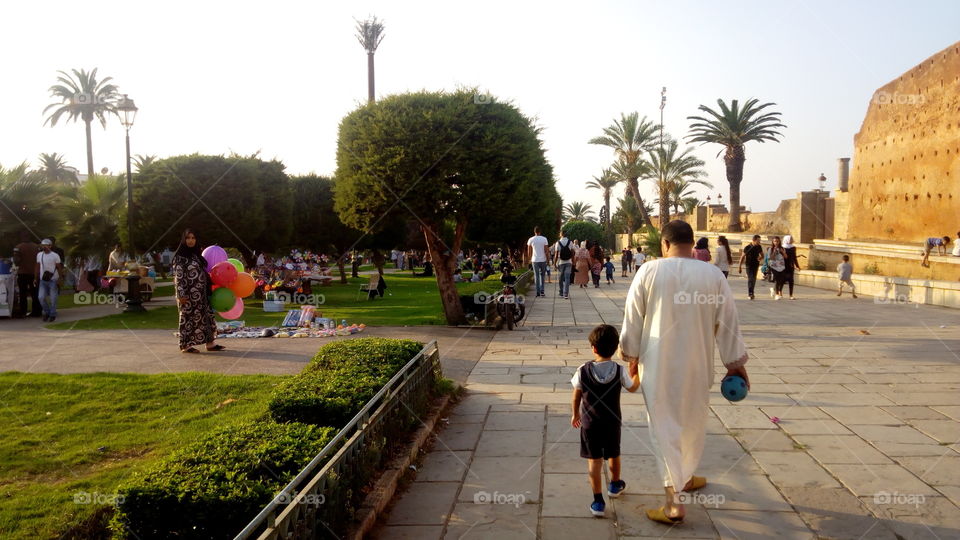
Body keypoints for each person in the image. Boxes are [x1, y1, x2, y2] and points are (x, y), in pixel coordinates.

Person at [620, 220, 748, 524]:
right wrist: (736, 365)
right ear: (692, 244)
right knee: (692, 421)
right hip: (697, 364)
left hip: (658, 364)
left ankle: (674, 504)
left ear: (664, 244)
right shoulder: (713, 274)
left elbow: (632, 318)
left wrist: (631, 357)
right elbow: (728, 322)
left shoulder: (649, 271)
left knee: (663, 426)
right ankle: (684, 478)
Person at [571, 324, 640, 517]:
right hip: (612, 422)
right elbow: (632, 387)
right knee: (614, 453)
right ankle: (615, 484)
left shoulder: (582, 370)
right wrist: (636, 372)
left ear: (593, 348)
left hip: (589, 424)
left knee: (594, 461)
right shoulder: (619, 371)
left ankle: (598, 500)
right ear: (616, 348)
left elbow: (576, 394)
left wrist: (575, 414)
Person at [172, 229, 224, 354]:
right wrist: (181, 294)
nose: (191, 240)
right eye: (188, 238)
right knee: (187, 319)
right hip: (188, 294)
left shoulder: (196, 255)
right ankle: (185, 346)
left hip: (202, 294)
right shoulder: (180, 257)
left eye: (193, 238)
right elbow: (178, 278)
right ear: (184, 240)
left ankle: (210, 343)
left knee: (207, 317)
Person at [34, 239, 64, 322]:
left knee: (53, 299)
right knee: (41, 297)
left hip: (53, 279)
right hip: (43, 280)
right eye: (42, 245)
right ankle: (47, 312)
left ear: (50, 246)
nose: (44, 246)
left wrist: (60, 278)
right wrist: (35, 278)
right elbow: (37, 266)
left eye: (46, 245)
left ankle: (52, 314)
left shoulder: (55, 255)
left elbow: (59, 267)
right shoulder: (39, 255)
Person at [13, 234, 40, 318]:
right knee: (34, 293)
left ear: (22, 237)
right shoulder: (37, 247)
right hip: (34, 273)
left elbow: (16, 261)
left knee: (22, 293)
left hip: (23, 273)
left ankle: (23, 312)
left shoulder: (18, 247)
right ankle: (36, 311)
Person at [737, 235, 764, 300]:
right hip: (749, 265)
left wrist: (760, 258)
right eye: (758, 241)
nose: (759, 242)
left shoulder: (759, 247)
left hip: (756, 265)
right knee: (750, 278)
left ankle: (752, 292)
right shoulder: (748, 247)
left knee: (754, 279)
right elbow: (742, 257)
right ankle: (750, 293)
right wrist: (739, 266)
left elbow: (762, 255)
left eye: (759, 241)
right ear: (754, 240)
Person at [527, 226, 550, 297]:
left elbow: (529, 251)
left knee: (536, 276)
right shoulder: (544, 239)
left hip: (535, 260)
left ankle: (537, 292)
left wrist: (529, 259)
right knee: (542, 276)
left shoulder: (531, 239)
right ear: (540, 231)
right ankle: (542, 291)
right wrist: (548, 260)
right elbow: (546, 251)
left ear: (534, 231)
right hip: (543, 260)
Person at [554, 229, 574, 299]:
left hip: (561, 262)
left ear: (561, 234)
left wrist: (554, 263)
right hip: (569, 262)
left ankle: (561, 292)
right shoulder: (570, 242)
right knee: (567, 278)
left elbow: (556, 255)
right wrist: (573, 261)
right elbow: (572, 253)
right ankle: (566, 294)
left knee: (561, 278)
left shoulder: (558, 243)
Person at [782, 235, 802, 300]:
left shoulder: (793, 248)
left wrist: (797, 266)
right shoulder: (782, 248)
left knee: (791, 280)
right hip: (783, 266)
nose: (792, 240)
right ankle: (779, 292)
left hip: (790, 265)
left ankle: (791, 295)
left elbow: (794, 257)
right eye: (791, 239)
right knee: (782, 280)